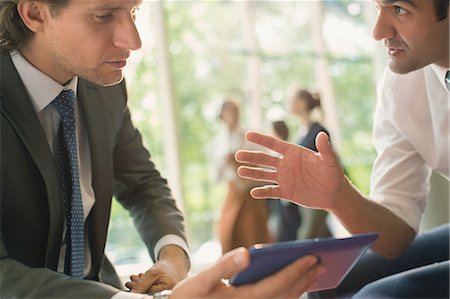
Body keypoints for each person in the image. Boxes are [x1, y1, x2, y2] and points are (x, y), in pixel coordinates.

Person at [0, 0, 325, 298]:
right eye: (103, 15)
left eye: (134, 12)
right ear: (35, 13)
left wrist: (172, 258)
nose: (134, 40)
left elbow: (144, 186)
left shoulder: (105, 88)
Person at [235, 0, 449, 297]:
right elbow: (395, 236)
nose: (377, 32)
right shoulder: (400, 88)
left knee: (374, 297)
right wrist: (338, 197)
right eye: (378, 8)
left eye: (400, 9)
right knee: (323, 283)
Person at [213, 99, 271, 254]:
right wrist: (227, 162)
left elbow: (266, 163)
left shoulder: (251, 136)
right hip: (233, 194)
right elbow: (216, 177)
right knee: (229, 236)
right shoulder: (218, 143)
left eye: (236, 110)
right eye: (229, 111)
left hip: (251, 195)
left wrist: (244, 164)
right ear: (222, 115)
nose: (233, 114)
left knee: (255, 238)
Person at [276, 90, 332, 242]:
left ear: (302, 103)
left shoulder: (318, 131)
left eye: (291, 99)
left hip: (318, 194)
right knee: (322, 236)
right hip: (305, 197)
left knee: (307, 238)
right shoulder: (300, 132)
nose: (288, 104)